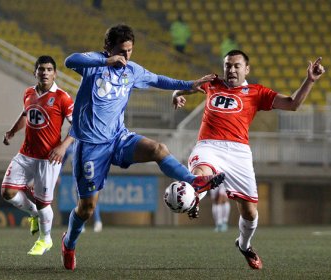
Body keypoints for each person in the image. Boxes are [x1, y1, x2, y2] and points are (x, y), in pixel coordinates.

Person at [61, 24, 225, 271]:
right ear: (109, 48)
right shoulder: (94, 64)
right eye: (121, 51)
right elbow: (69, 60)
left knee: (158, 149)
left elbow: (158, 79)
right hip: (90, 147)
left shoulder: (132, 71)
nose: (126, 56)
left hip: (118, 138)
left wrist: (189, 84)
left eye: (129, 51)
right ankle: (69, 243)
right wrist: (108, 61)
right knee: (86, 209)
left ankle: (194, 181)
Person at [172, 50, 325, 270]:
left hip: (239, 153)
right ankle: (195, 194)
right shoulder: (211, 83)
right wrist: (175, 95)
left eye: (236, 66)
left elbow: (293, 104)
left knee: (250, 213)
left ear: (247, 69)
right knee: (200, 173)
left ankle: (244, 245)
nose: (231, 70)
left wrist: (310, 80)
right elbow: (181, 88)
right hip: (208, 145)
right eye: (227, 65)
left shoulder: (257, 92)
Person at [1, 55, 74, 255]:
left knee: (43, 203)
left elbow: (78, 125)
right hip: (25, 154)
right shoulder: (28, 93)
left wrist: (63, 147)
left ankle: (45, 239)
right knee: (7, 192)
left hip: (48, 158)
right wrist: (12, 131)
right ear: (35, 72)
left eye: (49, 69)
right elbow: (26, 114)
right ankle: (33, 213)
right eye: (41, 69)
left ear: (55, 73)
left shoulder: (62, 97)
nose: (45, 73)